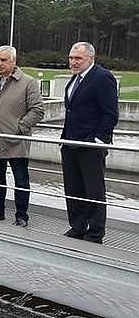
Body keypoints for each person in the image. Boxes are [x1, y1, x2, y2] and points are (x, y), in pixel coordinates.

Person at [0, 45, 44, 227]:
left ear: (13, 61)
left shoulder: (28, 82)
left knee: (21, 180)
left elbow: (38, 110)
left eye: (3, 60)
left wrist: (19, 127)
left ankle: (21, 216)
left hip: (16, 141)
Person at [61, 42, 118, 244]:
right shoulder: (76, 78)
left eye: (78, 58)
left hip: (90, 146)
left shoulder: (102, 78)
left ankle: (95, 232)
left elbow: (110, 114)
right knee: (73, 187)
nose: (73, 62)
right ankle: (77, 227)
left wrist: (98, 141)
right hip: (70, 143)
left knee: (93, 189)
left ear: (91, 58)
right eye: (71, 58)